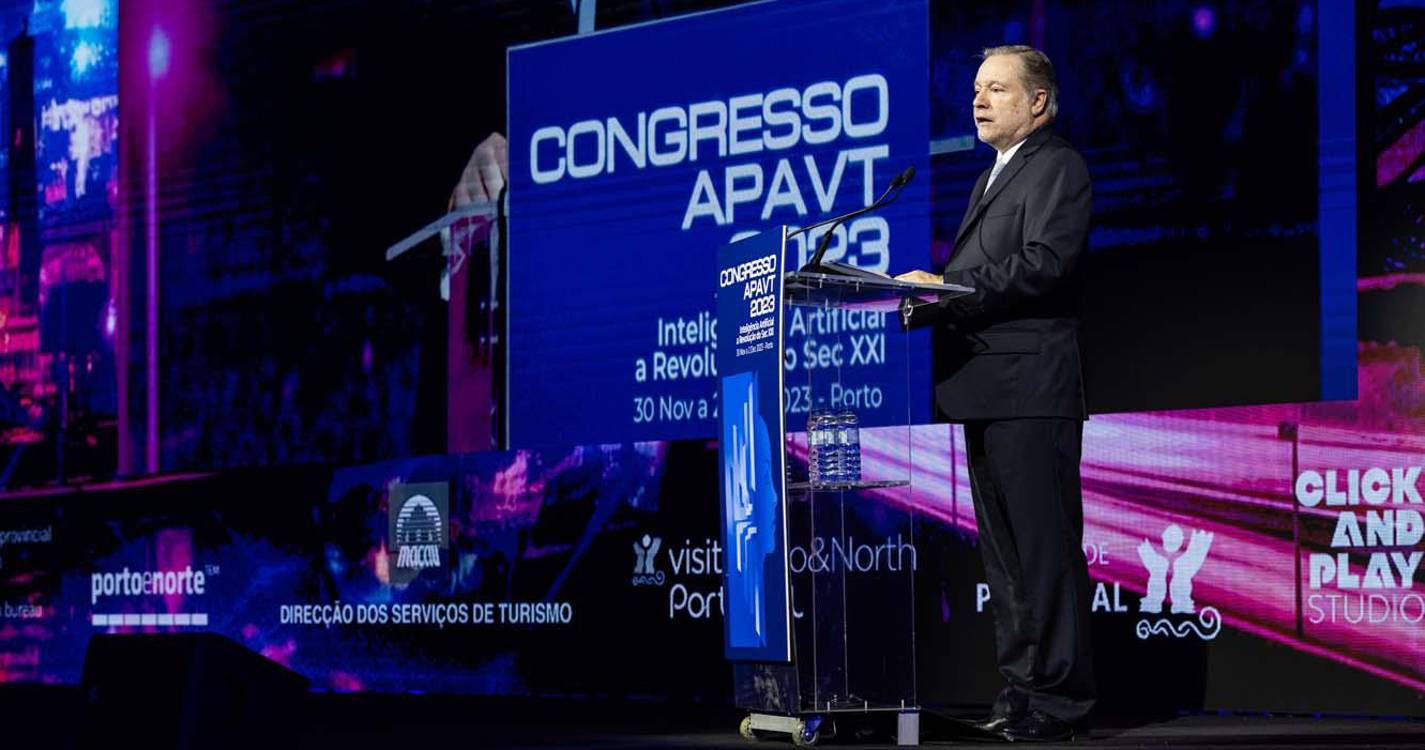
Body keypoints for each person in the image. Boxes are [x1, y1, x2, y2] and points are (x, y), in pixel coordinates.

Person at [897, 44, 1095, 742]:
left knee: (1042, 555)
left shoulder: (1057, 167)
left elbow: (1044, 265)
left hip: (1030, 388)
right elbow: (988, 275)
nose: (978, 100)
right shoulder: (994, 175)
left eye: (996, 89)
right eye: (976, 88)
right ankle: (1019, 694)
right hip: (986, 389)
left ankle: (1060, 703)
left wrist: (949, 291)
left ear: (1036, 101)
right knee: (1004, 563)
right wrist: (925, 300)